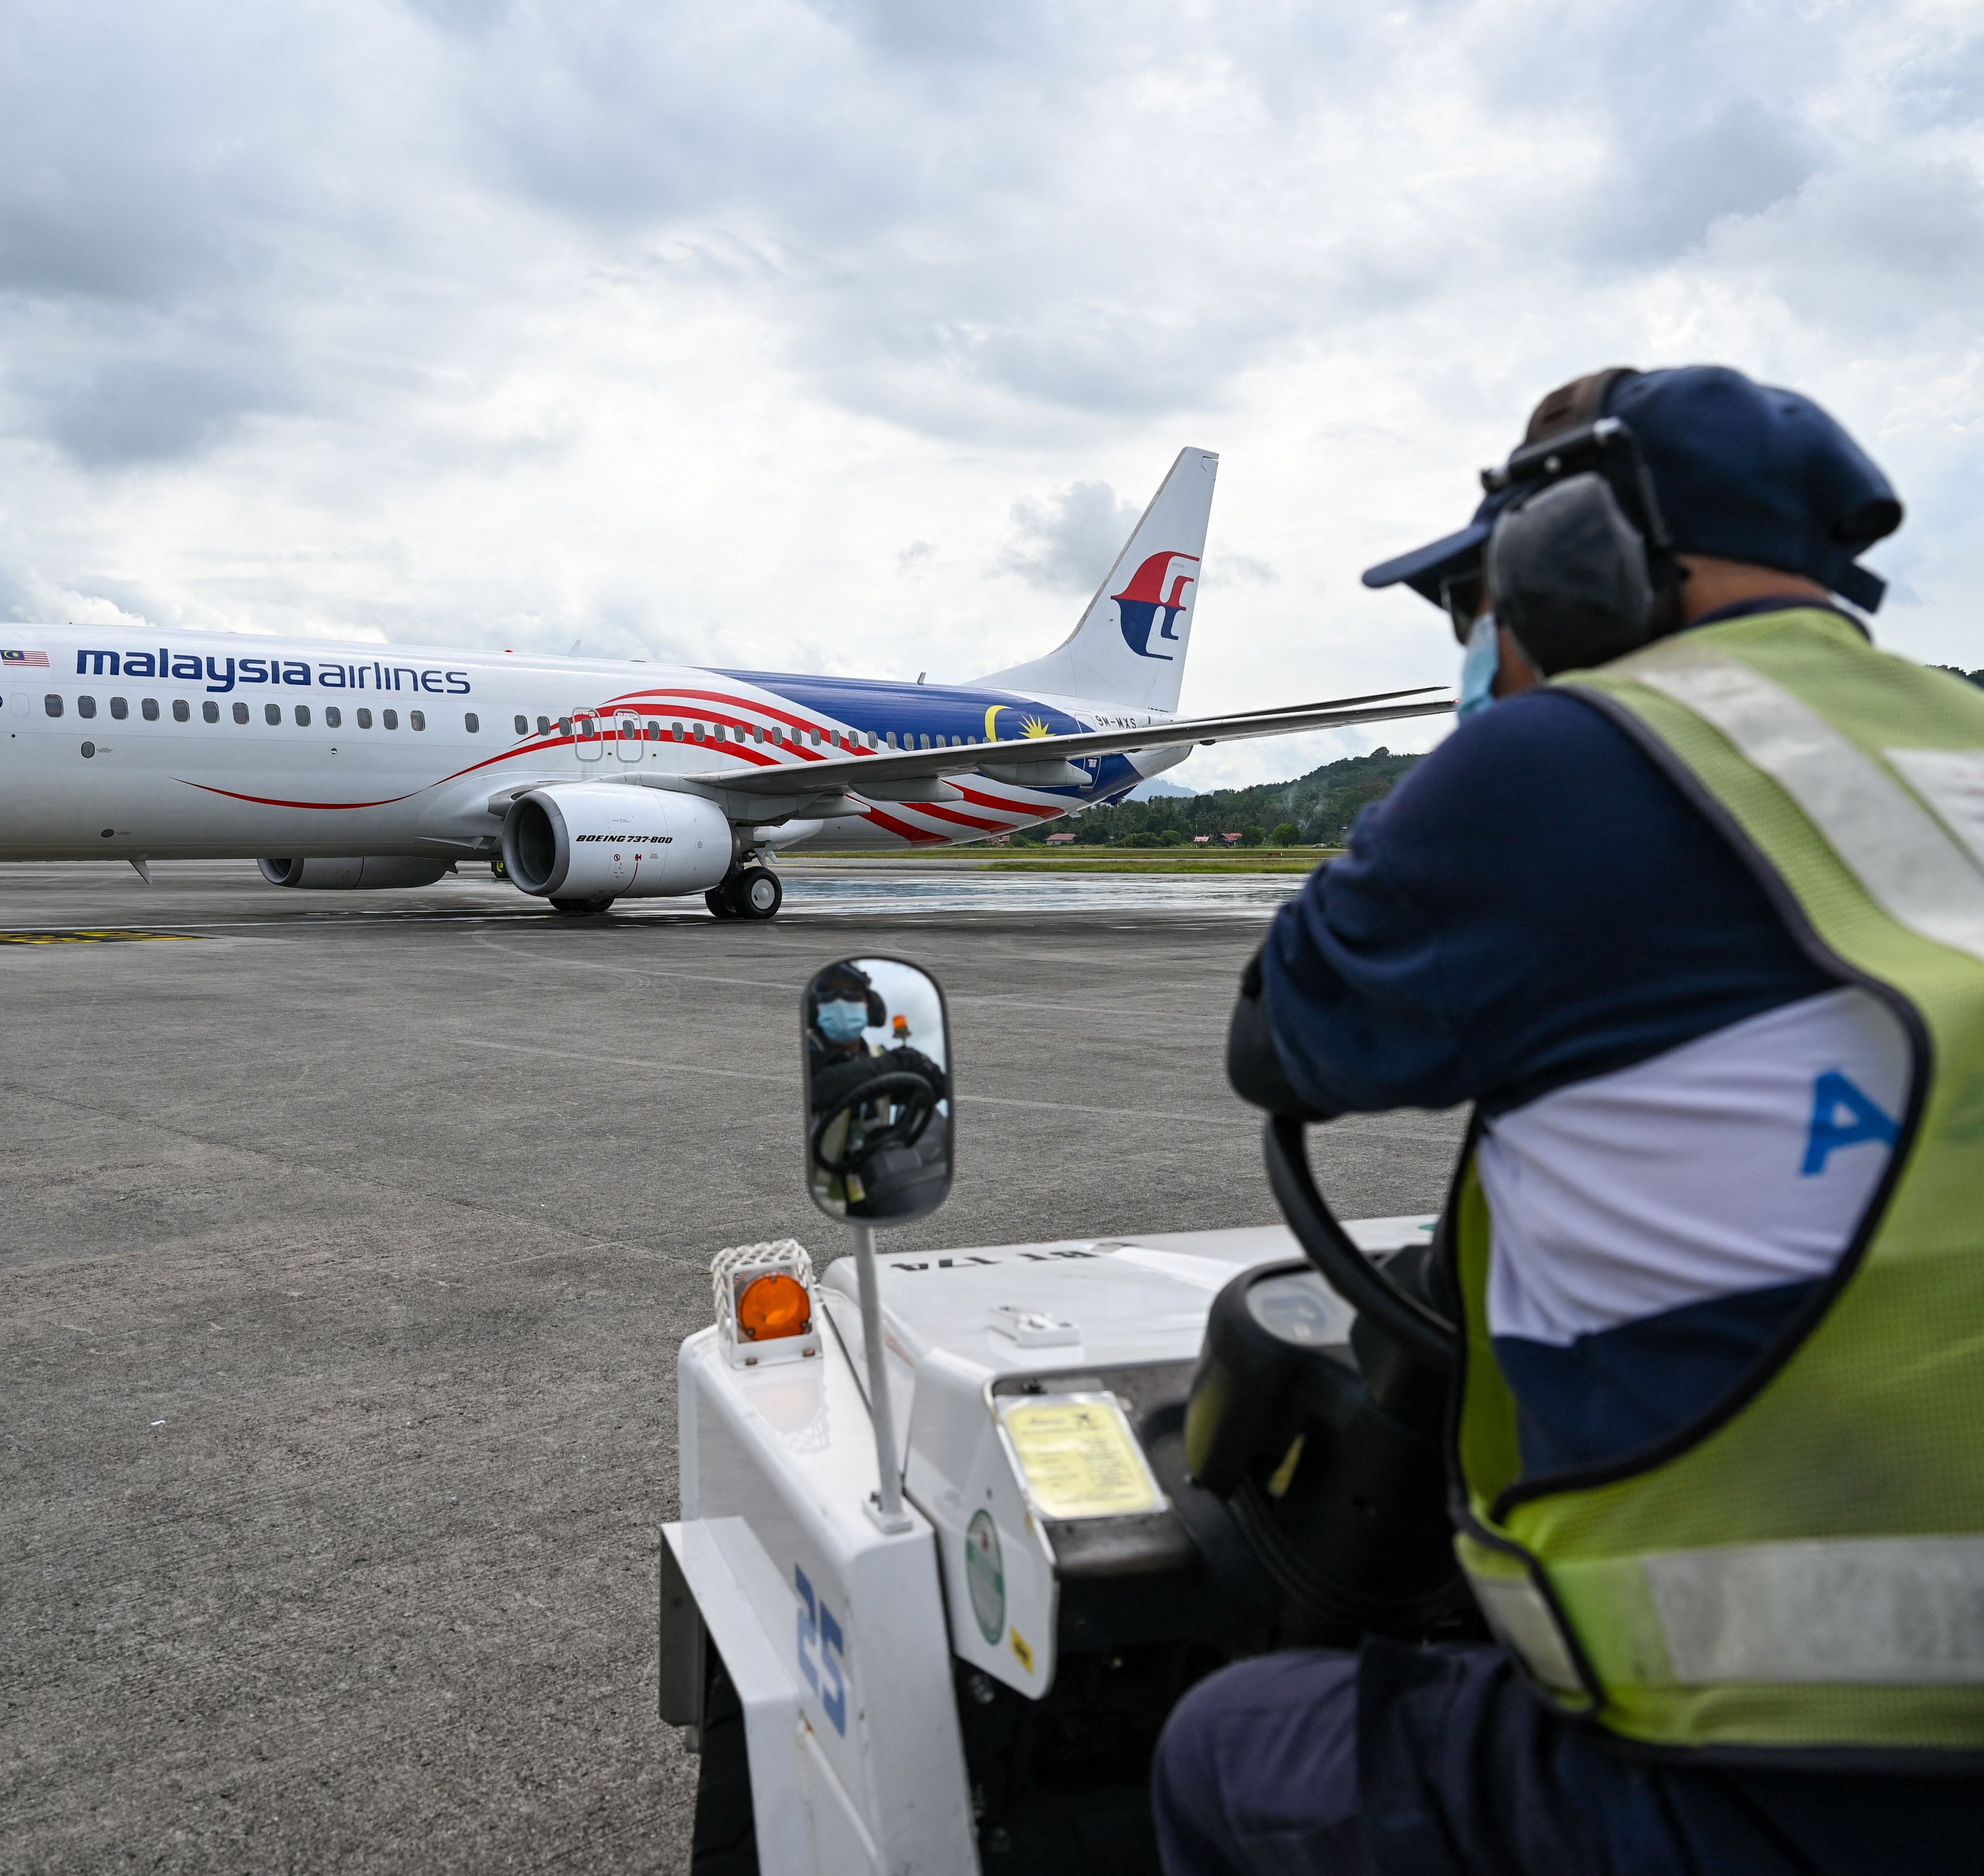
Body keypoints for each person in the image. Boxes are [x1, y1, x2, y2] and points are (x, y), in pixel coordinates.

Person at [1152, 366, 1984, 1875]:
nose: (1476, 647)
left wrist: (1447, 795)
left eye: (1471, 601)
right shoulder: (1951, 743)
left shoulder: (1570, 760)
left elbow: (1283, 1042)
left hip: (1790, 1787)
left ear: (1565, 562)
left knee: (1226, 1746)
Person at [807, 961, 951, 1219]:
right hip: (820, 1197)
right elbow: (823, 1087)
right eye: (829, 994)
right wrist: (895, 1063)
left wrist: (925, 1071)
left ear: (869, 1006)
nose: (841, 1002)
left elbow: (930, 1091)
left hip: (873, 1181)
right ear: (816, 1008)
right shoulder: (810, 1050)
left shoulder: (876, 1056)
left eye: (852, 994)